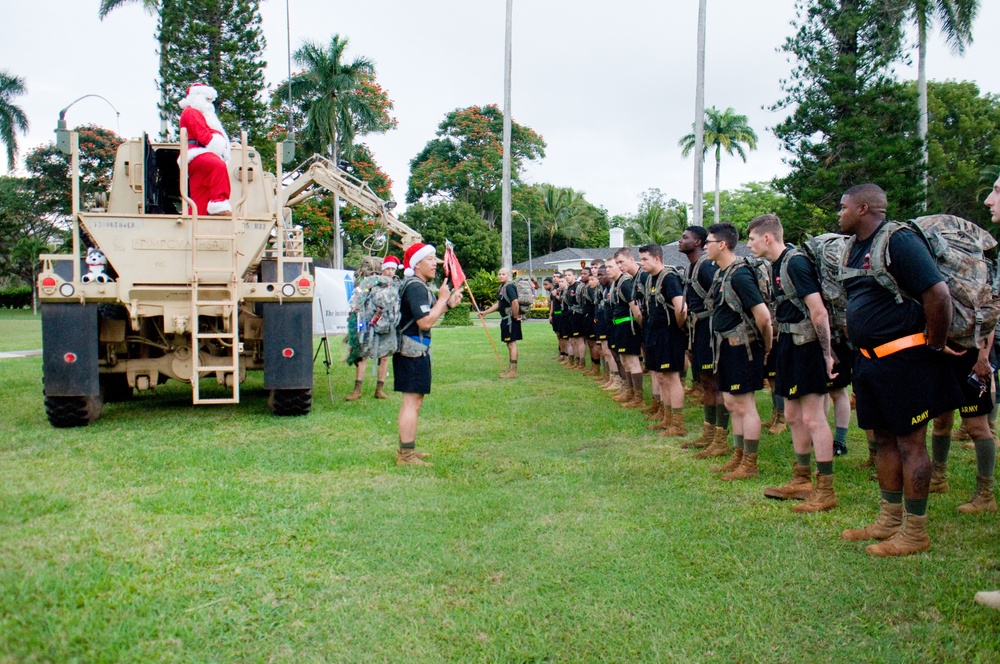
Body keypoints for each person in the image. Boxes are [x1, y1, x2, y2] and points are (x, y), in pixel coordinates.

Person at [838, 184, 963, 556]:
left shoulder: (900, 241)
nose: (838, 214)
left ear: (864, 209)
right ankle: (889, 518)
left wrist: (935, 346)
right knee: (883, 439)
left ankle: (915, 530)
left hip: (904, 361)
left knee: (910, 443)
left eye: (843, 208)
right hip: (869, 361)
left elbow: (938, 295)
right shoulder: (854, 247)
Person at [748, 215, 839, 511]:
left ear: (767, 238)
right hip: (788, 344)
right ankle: (801, 479)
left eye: (751, 238)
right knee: (792, 415)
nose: (748, 244)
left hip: (808, 346)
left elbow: (819, 312)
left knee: (813, 417)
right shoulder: (775, 265)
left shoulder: (795, 262)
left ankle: (825, 489)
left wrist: (826, 354)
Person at [700, 222, 772, 480]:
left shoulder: (740, 275)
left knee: (745, 404)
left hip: (744, 348)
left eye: (708, 242)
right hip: (727, 347)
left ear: (722, 244)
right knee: (731, 402)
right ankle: (738, 455)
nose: (704, 247)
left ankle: (749, 463)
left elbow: (763, 316)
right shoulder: (722, 272)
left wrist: (767, 349)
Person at [393, 243, 463, 466]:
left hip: (414, 350)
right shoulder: (415, 287)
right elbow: (425, 322)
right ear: (417, 263)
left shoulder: (417, 285)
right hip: (412, 351)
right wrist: (443, 298)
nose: (435, 263)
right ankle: (406, 455)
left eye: (435, 259)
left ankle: (408, 448)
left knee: (414, 402)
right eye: (431, 259)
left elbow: (429, 315)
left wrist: (448, 304)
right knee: (411, 403)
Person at [679, 225, 729, 455]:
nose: (680, 241)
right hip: (698, 330)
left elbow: (721, 296)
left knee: (716, 383)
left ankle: (721, 438)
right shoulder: (691, 268)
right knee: (706, 382)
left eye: (685, 237)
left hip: (710, 330)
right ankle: (709, 433)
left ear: (698, 242)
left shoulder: (707, 267)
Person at [974, 173, 1000, 610]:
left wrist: (984, 357)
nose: (988, 198)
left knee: (979, 426)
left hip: (982, 355)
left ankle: (985, 490)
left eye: (997, 189)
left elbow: (989, 311)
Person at [637, 244, 688, 436]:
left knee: (671, 378)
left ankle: (678, 423)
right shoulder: (651, 279)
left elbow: (681, 308)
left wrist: (678, 328)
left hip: (669, 335)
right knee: (661, 377)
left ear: (657, 259)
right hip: (654, 335)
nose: (641, 263)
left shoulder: (669, 278)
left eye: (644, 259)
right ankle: (667, 418)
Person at [346, 255, 401, 401]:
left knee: (384, 357)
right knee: (363, 356)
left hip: (387, 325)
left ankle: (379, 389)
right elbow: (359, 296)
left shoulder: (396, 284)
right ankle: (357, 389)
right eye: (387, 268)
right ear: (383, 268)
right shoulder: (371, 281)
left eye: (392, 269)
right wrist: (355, 309)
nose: (390, 272)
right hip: (369, 324)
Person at [178, 84, 232, 216]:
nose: (210, 103)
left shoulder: (198, 113)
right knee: (217, 165)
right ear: (198, 98)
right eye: (207, 99)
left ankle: (195, 219)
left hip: (198, 153)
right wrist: (217, 143)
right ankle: (219, 203)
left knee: (200, 195)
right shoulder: (191, 112)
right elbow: (202, 134)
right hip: (195, 151)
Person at [610, 248, 645, 408]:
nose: (616, 266)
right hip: (620, 325)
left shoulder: (625, 283)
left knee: (631, 360)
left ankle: (638, 397)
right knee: (624, 359)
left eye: (618, 263)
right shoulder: (618, 282)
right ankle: (630, 391)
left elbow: (635, 307)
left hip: (628, 325)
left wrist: (642, 327)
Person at [478, 267, 522, 379]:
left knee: (512, 344)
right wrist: (486, 312)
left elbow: (515, 302)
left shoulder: (509, 287)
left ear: (508, 276)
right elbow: (499, 304)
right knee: (509, 344)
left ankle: (513, 371)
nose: (501, 276)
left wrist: (515, 316)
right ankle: (510, 370)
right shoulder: (501, 288)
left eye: (503, 274)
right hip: (505, 319)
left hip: (510, 320)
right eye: (499, 274)